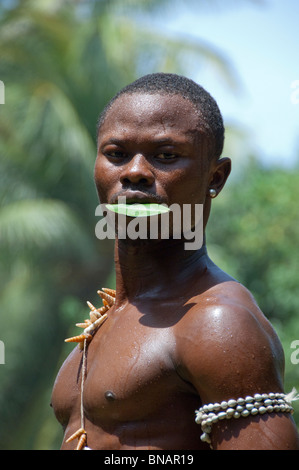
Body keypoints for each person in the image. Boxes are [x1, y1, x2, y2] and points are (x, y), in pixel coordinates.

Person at [51, 73, 299, 450]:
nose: (134, 172)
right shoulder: (105, 319)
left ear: (215, 178)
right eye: (116, 154)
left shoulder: (219, 324)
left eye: (166, 156)